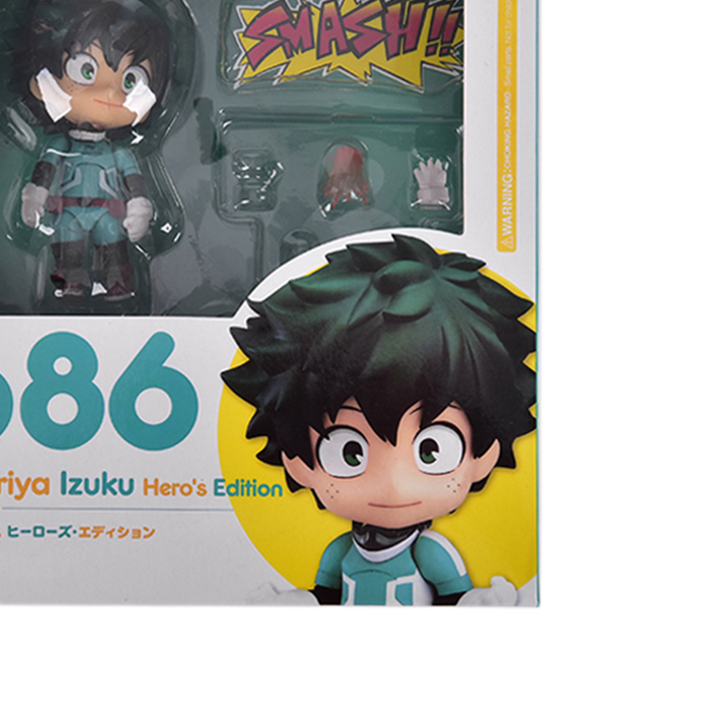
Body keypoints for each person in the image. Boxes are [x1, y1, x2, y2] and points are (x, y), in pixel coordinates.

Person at [222, 235, 536, 605]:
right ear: (297, 461)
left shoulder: (431, 552)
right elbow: (324, 597)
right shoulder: (340, 552)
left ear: (484, 454)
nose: (394, 485)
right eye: (350, 453)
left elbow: (454, 600)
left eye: (431, 451)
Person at [17, 0, 170, 300]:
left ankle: (117, 283)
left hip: (108, 213)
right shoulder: (59, 146)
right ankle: (70, 282)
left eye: (130, 81)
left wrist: (139, 206)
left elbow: (134, 182)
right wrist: (34, 198)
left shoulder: (120, 153)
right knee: (67, 246)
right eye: (86, 71)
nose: (108, 96)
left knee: (112, 245)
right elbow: (44, 172)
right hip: (68, 211)